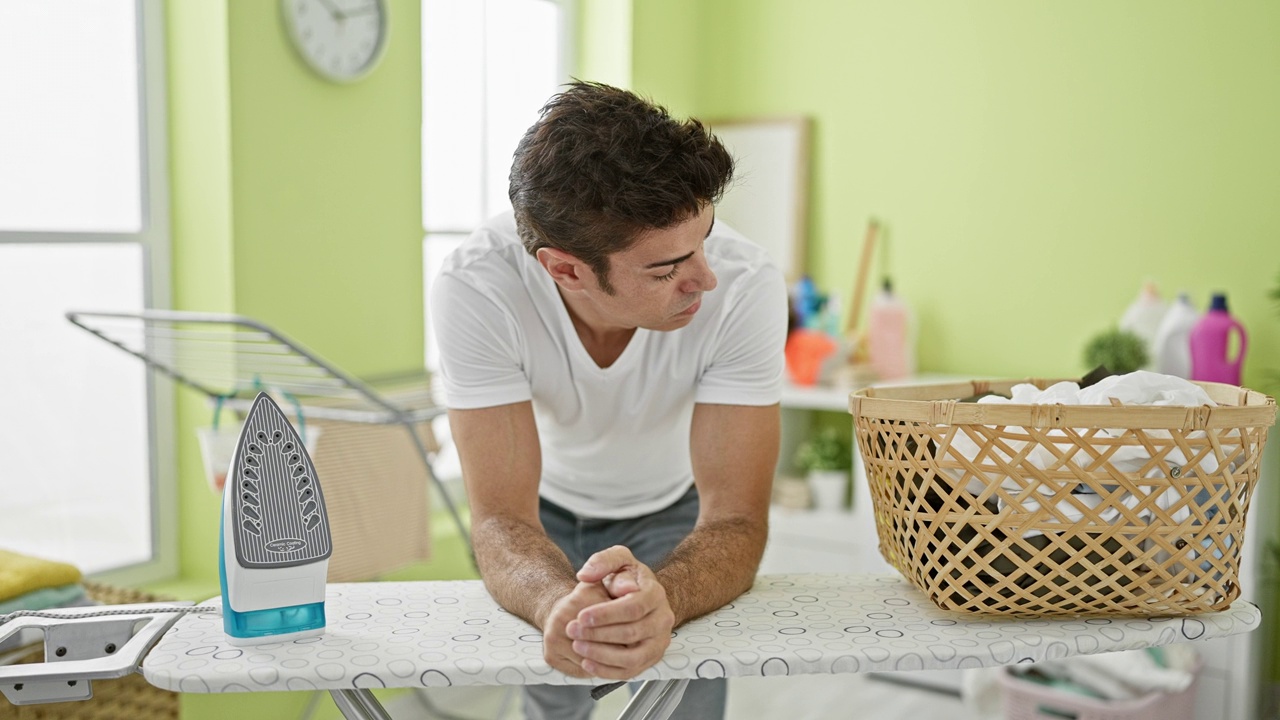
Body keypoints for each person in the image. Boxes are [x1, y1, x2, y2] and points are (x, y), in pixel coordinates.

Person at [429, 81, 788, 720]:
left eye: (705, 238)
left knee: (687, 693)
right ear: (564, 269)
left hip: (677, 511)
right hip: (545, 516)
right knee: (557, 689)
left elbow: (736, 518)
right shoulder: (477, 286)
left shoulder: (746, 283)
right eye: (665, 268)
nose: (705, 276)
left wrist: (665, 597)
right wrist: (553, 602)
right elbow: (500, 520)